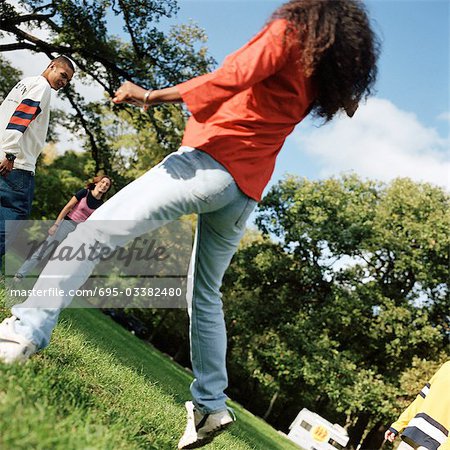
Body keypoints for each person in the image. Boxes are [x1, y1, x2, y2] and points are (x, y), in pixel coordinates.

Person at [0, 1, 380, 448]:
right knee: (204, 295)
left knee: (92, 231)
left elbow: (226, 79)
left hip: (208, 163)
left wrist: (148, 96)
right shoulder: (323, 70)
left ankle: (24, 332)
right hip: (244, 191)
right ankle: (209, 406)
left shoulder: (289, 34)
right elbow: (349, 102)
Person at [0, 55, 75, 265]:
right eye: (63, 75)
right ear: (51, 66)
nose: (64, 82)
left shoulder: (25, 83)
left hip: (5, 158)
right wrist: (10, 154)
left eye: (68, 80)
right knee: (12, 220)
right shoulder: (42, 88)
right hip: (16, 166)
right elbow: (20, 118)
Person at [13, 175, 112, 280]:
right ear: (97, 183)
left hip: (79, 233)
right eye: (103, 182)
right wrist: (56, 225)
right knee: (43, 250)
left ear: (107, 189)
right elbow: (67, 207)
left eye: (107, 185)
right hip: (66, 225)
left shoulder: (102, 205)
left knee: (64, 259)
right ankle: (20, 275)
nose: (104, 185)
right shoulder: (84, 192)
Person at [385, 361, 450, 450]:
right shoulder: (446, 366)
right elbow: (421, 400)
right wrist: (398, 425)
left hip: (436, 442)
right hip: (413, 433)